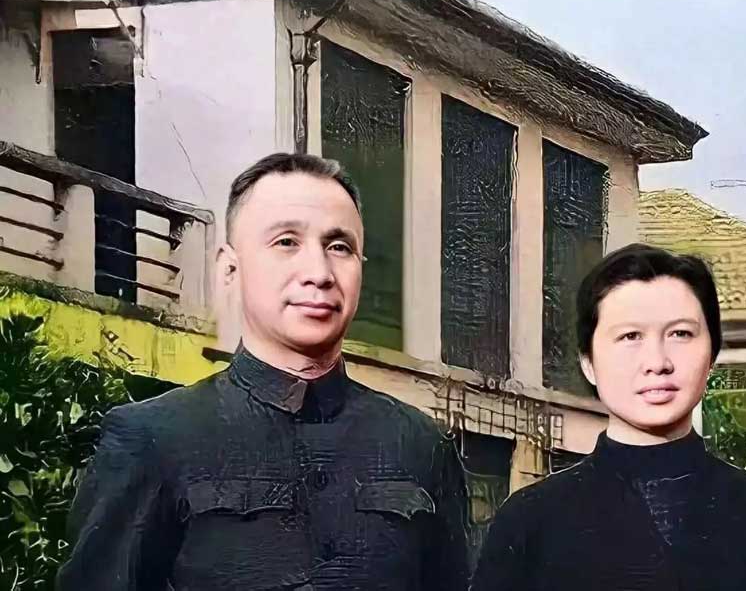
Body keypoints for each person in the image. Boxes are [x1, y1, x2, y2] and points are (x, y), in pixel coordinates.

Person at [57, 153, 469, 591]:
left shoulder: (421, 445)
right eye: (286, 242)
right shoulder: (152, 438)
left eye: (339, 247)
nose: (319, 273)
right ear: (230, 269)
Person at [470, 244, 746, 591]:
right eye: (630, 336)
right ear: (588, 362)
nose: (657, 362)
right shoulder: (529, 522)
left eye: (680, 334)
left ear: (712, 353)